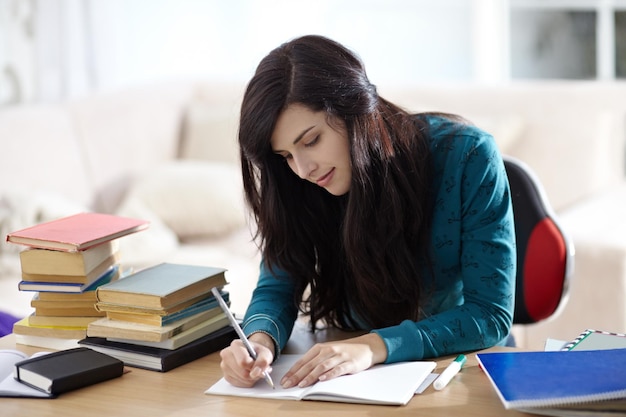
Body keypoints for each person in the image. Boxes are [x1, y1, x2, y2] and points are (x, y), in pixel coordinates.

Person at [219, 35, 516, 389]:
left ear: (355, 109)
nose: (303, 169)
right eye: (285, 155)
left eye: (311, 141)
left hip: (453, 369)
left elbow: (490, 315)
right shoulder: (296, 183)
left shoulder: (467, 155)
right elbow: (277, 284)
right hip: (349, 373)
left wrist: (374, 347)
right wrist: (259, 340)